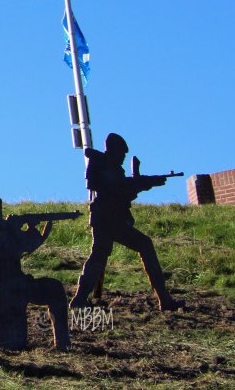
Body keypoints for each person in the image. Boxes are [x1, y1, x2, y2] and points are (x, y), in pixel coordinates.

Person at [71, 133, 184, 311]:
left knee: (100, 256)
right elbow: (114, 188)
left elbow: (122, 191)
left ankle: (80, 298)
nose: (123, 158)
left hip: (110, 218)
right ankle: (164, 299)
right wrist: (138, 184)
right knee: (140, 246)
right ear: (114, 151)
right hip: (108, 219)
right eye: (121, 154)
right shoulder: (102, 165)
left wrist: (141, 184)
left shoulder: (112, 168)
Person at [0, 190, 70, 351]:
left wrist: (32, 228)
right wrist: (10, 229)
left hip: (21, 283)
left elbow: (26, 246)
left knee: (54, 288)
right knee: (13, 345)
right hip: (3, 290)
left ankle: (63, 345)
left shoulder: (5, 228)